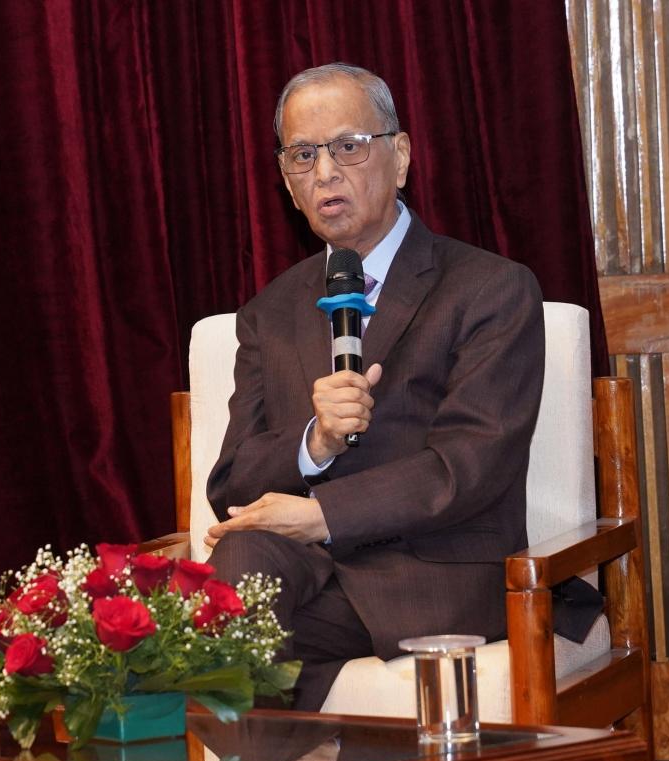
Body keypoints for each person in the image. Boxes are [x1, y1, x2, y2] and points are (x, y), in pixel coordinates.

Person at [205, 63, 545, 711]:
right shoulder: (269, 312)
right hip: (307, 575)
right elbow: (233, 484)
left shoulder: (490, 288)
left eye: (348, 146)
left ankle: (308, 750)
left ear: (401, 157)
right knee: (229, 585)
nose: (325, 173)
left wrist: (320, 515)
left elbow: (471, 465)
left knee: (220, 654)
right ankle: (295, 751)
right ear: (287, 183)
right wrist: (316, 442)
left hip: (427, 573)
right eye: (303, 155)